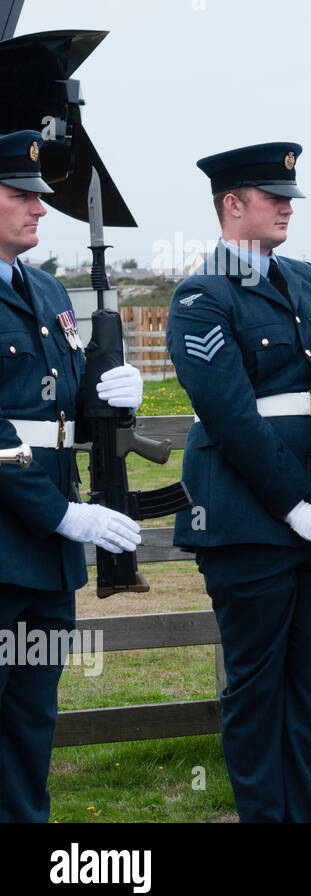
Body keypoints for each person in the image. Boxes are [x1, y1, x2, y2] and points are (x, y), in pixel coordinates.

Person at [165, 142, 311, 822]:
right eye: (272, 194)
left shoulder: (301, 281)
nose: (288, 204)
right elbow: (232, 421)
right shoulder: (202, 296)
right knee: (256, 693)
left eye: (289, 194)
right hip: (251, 522)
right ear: (232, 204)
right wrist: (295, 507)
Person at [0, 130, 142, 822]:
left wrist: (112, 392)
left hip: (47, 560)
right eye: (22, 195)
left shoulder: (48, 286)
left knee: (31, 720)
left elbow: (67, 409)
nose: (40, 209)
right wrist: (59, 513)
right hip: (10, 537)